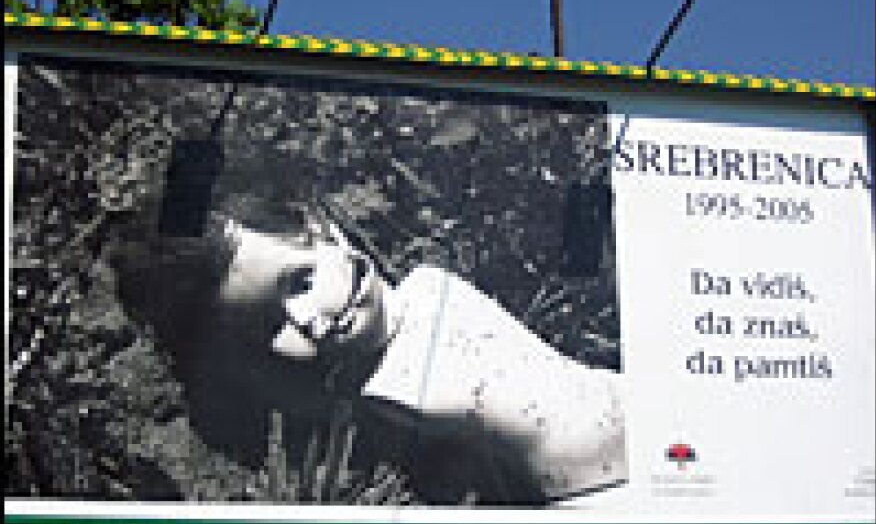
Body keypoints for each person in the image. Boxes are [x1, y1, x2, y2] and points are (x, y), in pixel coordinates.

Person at [108, 199, 625, 505]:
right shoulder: (384, 402)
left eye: (301, 281)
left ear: (326, 233)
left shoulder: (432, 287)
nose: (307, 321)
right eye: (270, 330)